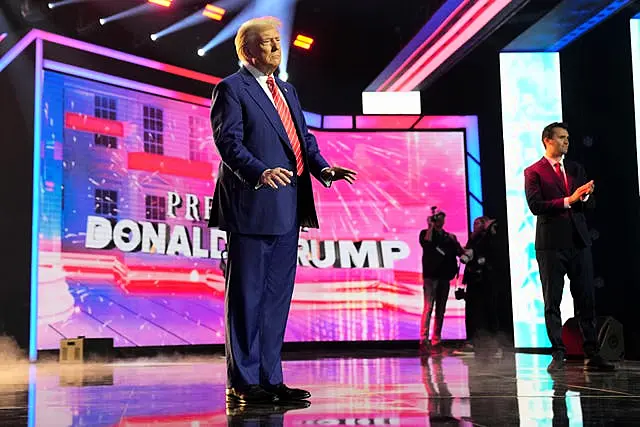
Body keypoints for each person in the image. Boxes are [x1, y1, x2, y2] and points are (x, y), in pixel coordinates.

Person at [208, 17, 357, 404]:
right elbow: (228, 143)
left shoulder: (286, 89)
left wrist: (323, 167)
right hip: (252, 206)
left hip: (289, 207)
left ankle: (270, 379)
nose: (277, 48)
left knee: (276, 299)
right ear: (247, 51)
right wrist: (259, 172)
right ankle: (242, 383)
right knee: (246, 299)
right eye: (269, 43)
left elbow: (302, 139)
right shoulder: (231, 88)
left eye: (278, 42)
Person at [524, 122, 613, 372]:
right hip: (551, 245)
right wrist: (568, 200)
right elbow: (536, 206)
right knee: (552, 300)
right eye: (562, 138)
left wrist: (584, 198)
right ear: (547, 140)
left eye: (568, 138)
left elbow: (589, 205)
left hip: (578, 241)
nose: (567, 142)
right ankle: (558, 352)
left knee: (586, 297)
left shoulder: (576, 168)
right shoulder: (534, 171)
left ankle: (592, 351)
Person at [418, 207, 467, 354]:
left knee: (441, 309)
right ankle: (424, 339)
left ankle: (436, 340)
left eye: (442, 218)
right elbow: (426, 242)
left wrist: (465, 252)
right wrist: (430, 227)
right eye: (438, 218)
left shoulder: (449, 237)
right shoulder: (426, 234)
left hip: (444, 277)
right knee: (428, 307)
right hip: (431, 277)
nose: (440, 220)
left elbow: (460, 252)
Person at [461, 216, 500, 355]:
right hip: (473, 279)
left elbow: (492, 253)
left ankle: (494, 343)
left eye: (478, 223)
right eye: (474, 223)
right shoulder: (472, 239)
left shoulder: (489, 237)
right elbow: (466, 255)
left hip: (487, 279)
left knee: (490, 309)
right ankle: (471, 341)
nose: (475, 225)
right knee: (471, 311)